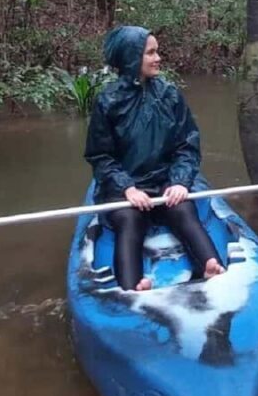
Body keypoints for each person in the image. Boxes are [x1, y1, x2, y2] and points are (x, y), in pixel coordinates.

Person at [84, 25, 226, 292]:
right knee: (129, 219)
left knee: (183, 209)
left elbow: (187, 145)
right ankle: (133, 286)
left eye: (157, 51)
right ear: (131, 57)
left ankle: (210, 265)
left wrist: (181, 181)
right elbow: (100, 156)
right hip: (122, 188)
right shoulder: (108, 101)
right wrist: (127, 188)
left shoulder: (169, 94)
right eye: (150, 53)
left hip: (164, 181)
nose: (158, 58)